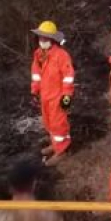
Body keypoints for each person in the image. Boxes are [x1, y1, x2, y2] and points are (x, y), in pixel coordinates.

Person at [30, 21, 75, 166]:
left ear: (52, 39)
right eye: (41, 37)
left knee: (58, 124)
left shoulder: (61, 55)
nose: (42, 40)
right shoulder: (38, 54)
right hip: (45, 96)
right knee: (49, 123)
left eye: (46, 38)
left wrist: (67, 95)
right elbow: (35, 74)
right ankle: (56, 144)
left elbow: (68, 76)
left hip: (57, 96)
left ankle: (61, 151)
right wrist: (35, 90)